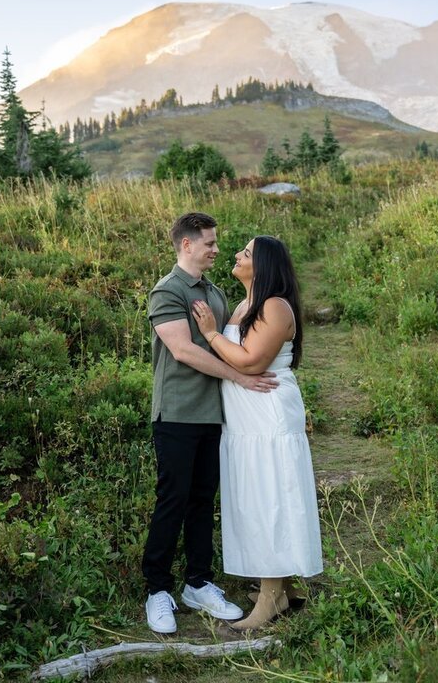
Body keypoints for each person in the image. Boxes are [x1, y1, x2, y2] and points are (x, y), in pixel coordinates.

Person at [142, 212, 279, 635]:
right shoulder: (167, 291)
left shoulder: (215, 292)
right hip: (179, 413)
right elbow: (183, 351)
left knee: (203, 501)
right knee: (173, 499)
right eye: (209, 243)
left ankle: (198, 582)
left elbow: (232, 342)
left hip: (215, 414)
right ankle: (157, 590)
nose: (216, 249)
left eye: (217, 242)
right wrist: (240, 377)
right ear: (187, 245)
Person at [191, 235, 323, 631]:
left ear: (263, 266)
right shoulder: (246, 305)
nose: (236, 255)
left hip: (268, 417)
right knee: (254, 496)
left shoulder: (275, 306)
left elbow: (250, 363)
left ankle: (271, 597)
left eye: (245, 253)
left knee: (271, 497)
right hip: (245, 419)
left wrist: (212, 334)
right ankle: (277, 587)